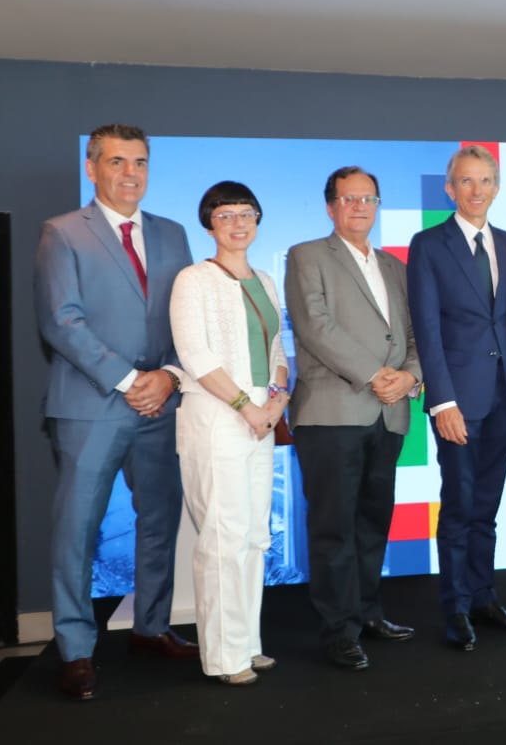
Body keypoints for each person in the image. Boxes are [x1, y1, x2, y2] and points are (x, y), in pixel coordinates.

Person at [34, 123, 197, 700]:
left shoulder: (174, 234)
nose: (131, 173)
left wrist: (169, 376)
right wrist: (130, 381)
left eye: (140, 162)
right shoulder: (62, 233)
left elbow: (187, 319)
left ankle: (151, 628)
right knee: (77, 530)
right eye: (117, 161)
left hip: (162, 403)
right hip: (91, 405)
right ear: (92, 167)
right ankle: (76, 650)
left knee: (160, 520)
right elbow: (62, 323)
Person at [285, 166, 423, 669]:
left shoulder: (395, 267)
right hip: (332, 413)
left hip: (389, 414)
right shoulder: (307, 256)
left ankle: (368, 612)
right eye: (349, 198)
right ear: (331, 207)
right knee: (333, 527)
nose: (360, 206)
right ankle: (338, 629)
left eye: (368, 198)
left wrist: (409, 377)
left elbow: (416, 333)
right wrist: (376, 374)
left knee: (372, 522)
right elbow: (315, 327)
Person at [407, 146, 506, 652]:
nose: (476, 190)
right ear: (449, 188)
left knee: (487, 506)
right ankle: (456, 608)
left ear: (496, 188)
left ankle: (484, 598)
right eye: (466, 181)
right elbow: (427, 327)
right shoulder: (428, 244)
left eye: (484, 181)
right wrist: (442, 402)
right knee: (459, 506)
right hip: (458, 400)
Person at [169, 181, 289, 685]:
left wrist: (276, 400)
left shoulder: (266, 279)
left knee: (253, 535)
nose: (238, 223)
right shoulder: (193, 279)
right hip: (217, 417)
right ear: (209, 224)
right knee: (222, 536)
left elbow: (277, 349)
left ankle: (246, 644)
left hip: (261, 419)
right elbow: (194, 355)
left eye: (246, 213)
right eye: (225, 215)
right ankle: (222, 657)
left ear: (258, 220)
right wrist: (245, 406)